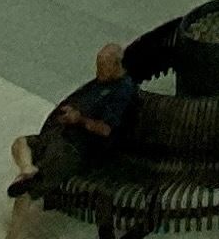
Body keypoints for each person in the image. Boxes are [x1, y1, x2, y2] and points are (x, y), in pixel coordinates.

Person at [8, 41, 137, 200]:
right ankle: (27, 169)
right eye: (98, 65)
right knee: (20, 144)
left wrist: (78, 119)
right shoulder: (100, 83)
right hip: (60, 137)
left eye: (103, 66)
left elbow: (106, 130)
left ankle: (28, 183)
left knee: (27, 192)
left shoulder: (122, 91)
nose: (97, 70)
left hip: (75, 149)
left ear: (116, 65)